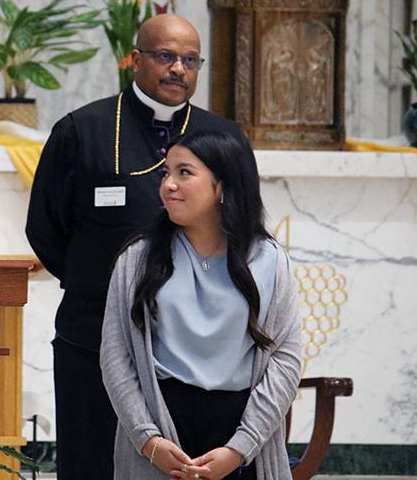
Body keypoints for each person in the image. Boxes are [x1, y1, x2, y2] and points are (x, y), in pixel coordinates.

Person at [25, 14, 243, 479]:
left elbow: (242, 227)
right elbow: (44, 227)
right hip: (93, 331)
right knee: (92, 464)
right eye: (166, 57)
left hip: (191, 348)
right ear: (136, 60)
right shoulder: (82, 130)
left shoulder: (223, 139)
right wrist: (98, 282)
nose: (178, 69)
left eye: (190, 60)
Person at [100, 130, 302, 480]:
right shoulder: (137, 259)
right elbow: (115, 358)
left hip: (239, 433)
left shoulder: (270, 261)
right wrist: (148, 441)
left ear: (222, 186)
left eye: (184, 172)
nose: (168, 185)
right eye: (166, 173)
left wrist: (240, 448)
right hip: (161, 428)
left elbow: (286, 359)